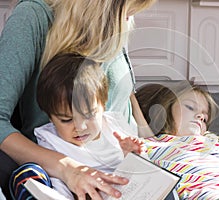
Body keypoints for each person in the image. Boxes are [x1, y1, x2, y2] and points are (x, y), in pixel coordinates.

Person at [0, 0, 155, 199]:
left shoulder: (117, 23)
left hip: (126, 169)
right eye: (125, 12)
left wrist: (146, 147)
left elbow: (125, 98)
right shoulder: (33, 18)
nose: (128, 20)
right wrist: (67, 168)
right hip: (61, 169)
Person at [24, 53, 140, 199]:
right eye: (66, 120)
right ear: (51, 118)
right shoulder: (50, 140)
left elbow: (145, 176)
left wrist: (132, 157)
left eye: (89, 115)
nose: (80, 127)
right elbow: (57, 186)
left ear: (103, 105)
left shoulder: (115, 125)